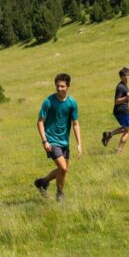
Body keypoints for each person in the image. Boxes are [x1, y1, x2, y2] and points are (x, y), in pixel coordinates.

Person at [33, 73, 82, 202]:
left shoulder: (72, 103)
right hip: (51, 141)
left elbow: (75, 124)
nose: (59, 89)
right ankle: (60, 194)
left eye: (62, 86)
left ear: (68, 86)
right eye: (57, 86)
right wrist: (44, 141)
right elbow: (40, 122)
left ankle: (42, 182)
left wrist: (79, 144)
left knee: (63, 171)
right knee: (63, 168)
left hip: (64, 141)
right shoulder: (48, 101)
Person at [102, 67, 129, 154]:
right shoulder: (121, 87)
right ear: (123, 76)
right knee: (127, 131)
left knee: (125, 128)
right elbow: (117, 101)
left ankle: (109, 134)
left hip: (119, 111)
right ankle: (119, 151)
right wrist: (126, 97)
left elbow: (123, 99)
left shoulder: (123, 85)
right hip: (123, 111)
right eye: (128, 74)